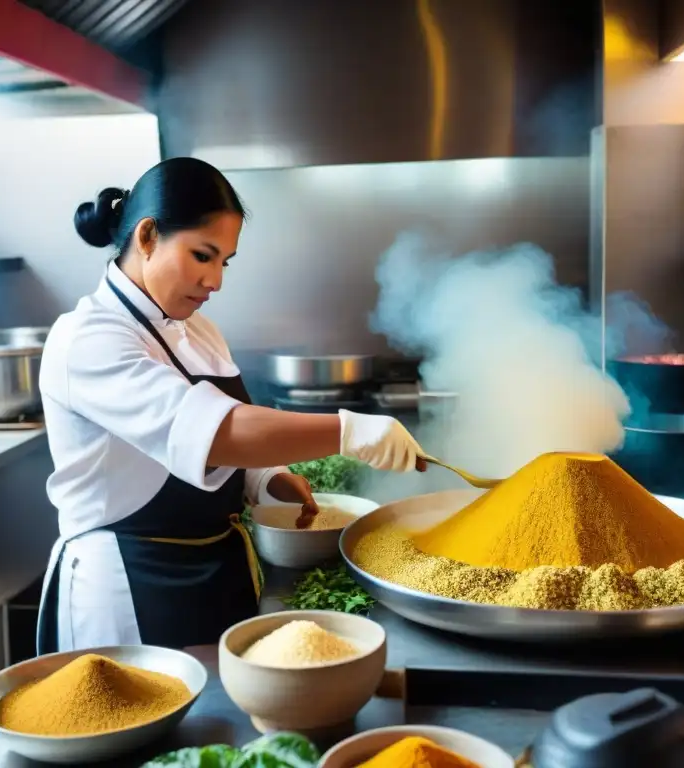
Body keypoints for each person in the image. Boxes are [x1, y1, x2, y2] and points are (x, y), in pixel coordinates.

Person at [36, 157, 423, 654]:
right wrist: (350, 431)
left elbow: (213, 444)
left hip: (219, 571)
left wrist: (263, 478)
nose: (215, 281)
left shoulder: (198, 330)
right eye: (203, 255)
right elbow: (217, 432)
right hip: (128, 586)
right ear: (148, 236)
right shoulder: (87, 339)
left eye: (225, 262)